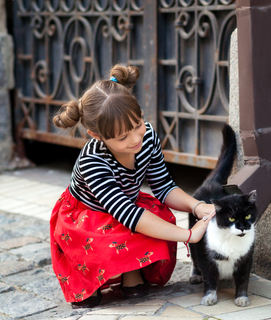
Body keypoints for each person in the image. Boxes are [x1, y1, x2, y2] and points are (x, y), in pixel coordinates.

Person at [50, 64, 216, 308]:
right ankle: (88, 279)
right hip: (87, 217)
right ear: (97, 135)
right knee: (118, 238)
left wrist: (196, 206)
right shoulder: (92, 160)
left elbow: (163, 186)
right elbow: (129, 215)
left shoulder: (147, 136)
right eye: (122, 137)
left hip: (126, 206)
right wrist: (189, 235)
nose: (136, 138)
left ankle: (131, 276)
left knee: (160, 219)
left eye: (137, 124)